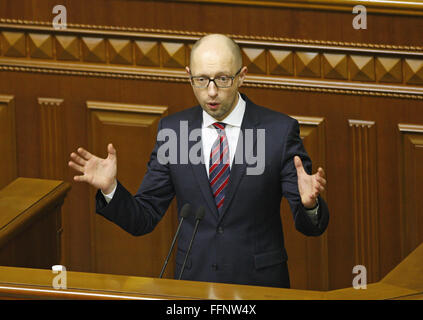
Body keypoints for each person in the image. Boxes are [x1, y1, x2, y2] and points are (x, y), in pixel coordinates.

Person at [68, 34, 329, 288]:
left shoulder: (279, 132)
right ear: (188, 76)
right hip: (193, 286)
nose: (211, 92)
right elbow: (143, 219)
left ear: (242, 76)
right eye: (202, 80)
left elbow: (311, 228)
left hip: (258, 286)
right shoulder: (175, 132)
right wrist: (110, 189)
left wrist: (310, 205)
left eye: (223, 79)